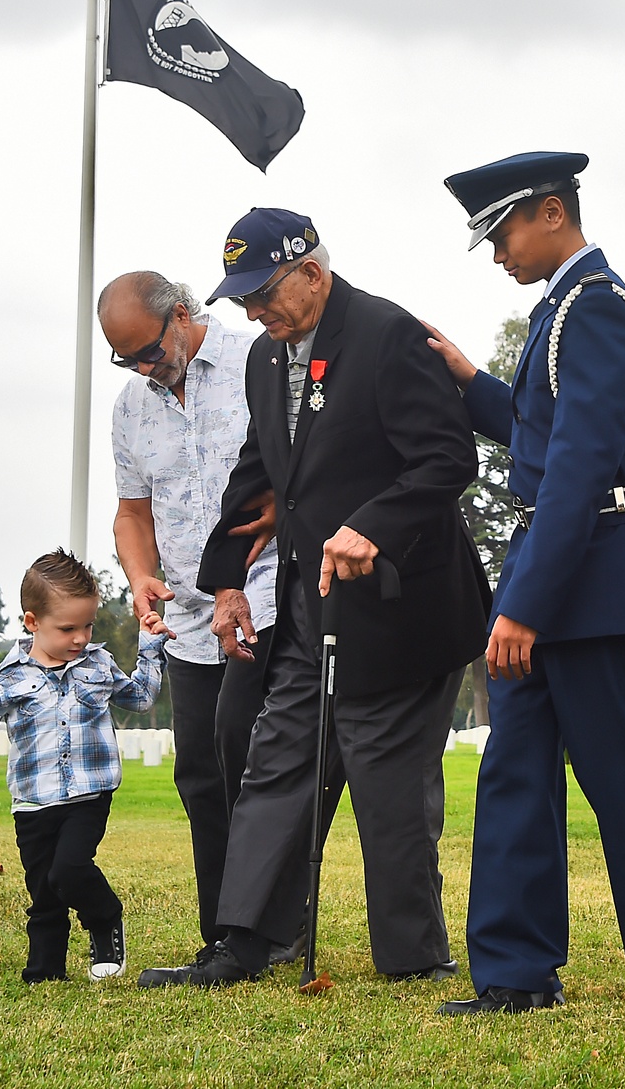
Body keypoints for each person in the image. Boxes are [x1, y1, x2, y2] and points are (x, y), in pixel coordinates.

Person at [427, 150, 625, 1014]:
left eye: (504, 233)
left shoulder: (597, 307)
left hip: (592, 579)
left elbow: (581, 467)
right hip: (558, 565)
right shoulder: (562, 308)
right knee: (514, 776)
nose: (498, 256)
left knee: (621, 781)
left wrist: (524, 604)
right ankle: (516, 976)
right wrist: (470, 381)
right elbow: (536, 432)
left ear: (552, 212)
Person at [188, 207, 489, 986]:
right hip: (308, 609)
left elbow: (450, 457)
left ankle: (413, 957)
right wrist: (226, 578)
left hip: (401, 611)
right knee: (276, 762)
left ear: (312, 274)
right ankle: (246, 943)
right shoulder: (266, 357)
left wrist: (372, 527)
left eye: (264, 294)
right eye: (244, 300)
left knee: (388, 789)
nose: (254, 314)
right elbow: (261, 473)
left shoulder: (388, 335)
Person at [97, 271, 280, 984]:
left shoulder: (254, 359)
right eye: (127, 360)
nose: (144, 368)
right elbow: (131, 512)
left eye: (147, 350)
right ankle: (224, 937)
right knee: (200, 773)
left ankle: (267, 924)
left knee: (249, 756)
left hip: (263, 597)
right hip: (191, 619)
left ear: (180, 315)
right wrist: (140, 574)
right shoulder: (129, 410)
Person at [0, 548, 171, 984]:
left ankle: (104, 918)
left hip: (89, 794)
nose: (80, 637)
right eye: (68, 628)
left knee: (69, 870)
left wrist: (151, 647)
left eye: (88, 625)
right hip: (32, 803)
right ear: (32, 622)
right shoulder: (7, 680)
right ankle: (45, 973)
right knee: (44, 890)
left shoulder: (96, 664)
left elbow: (139, 698)